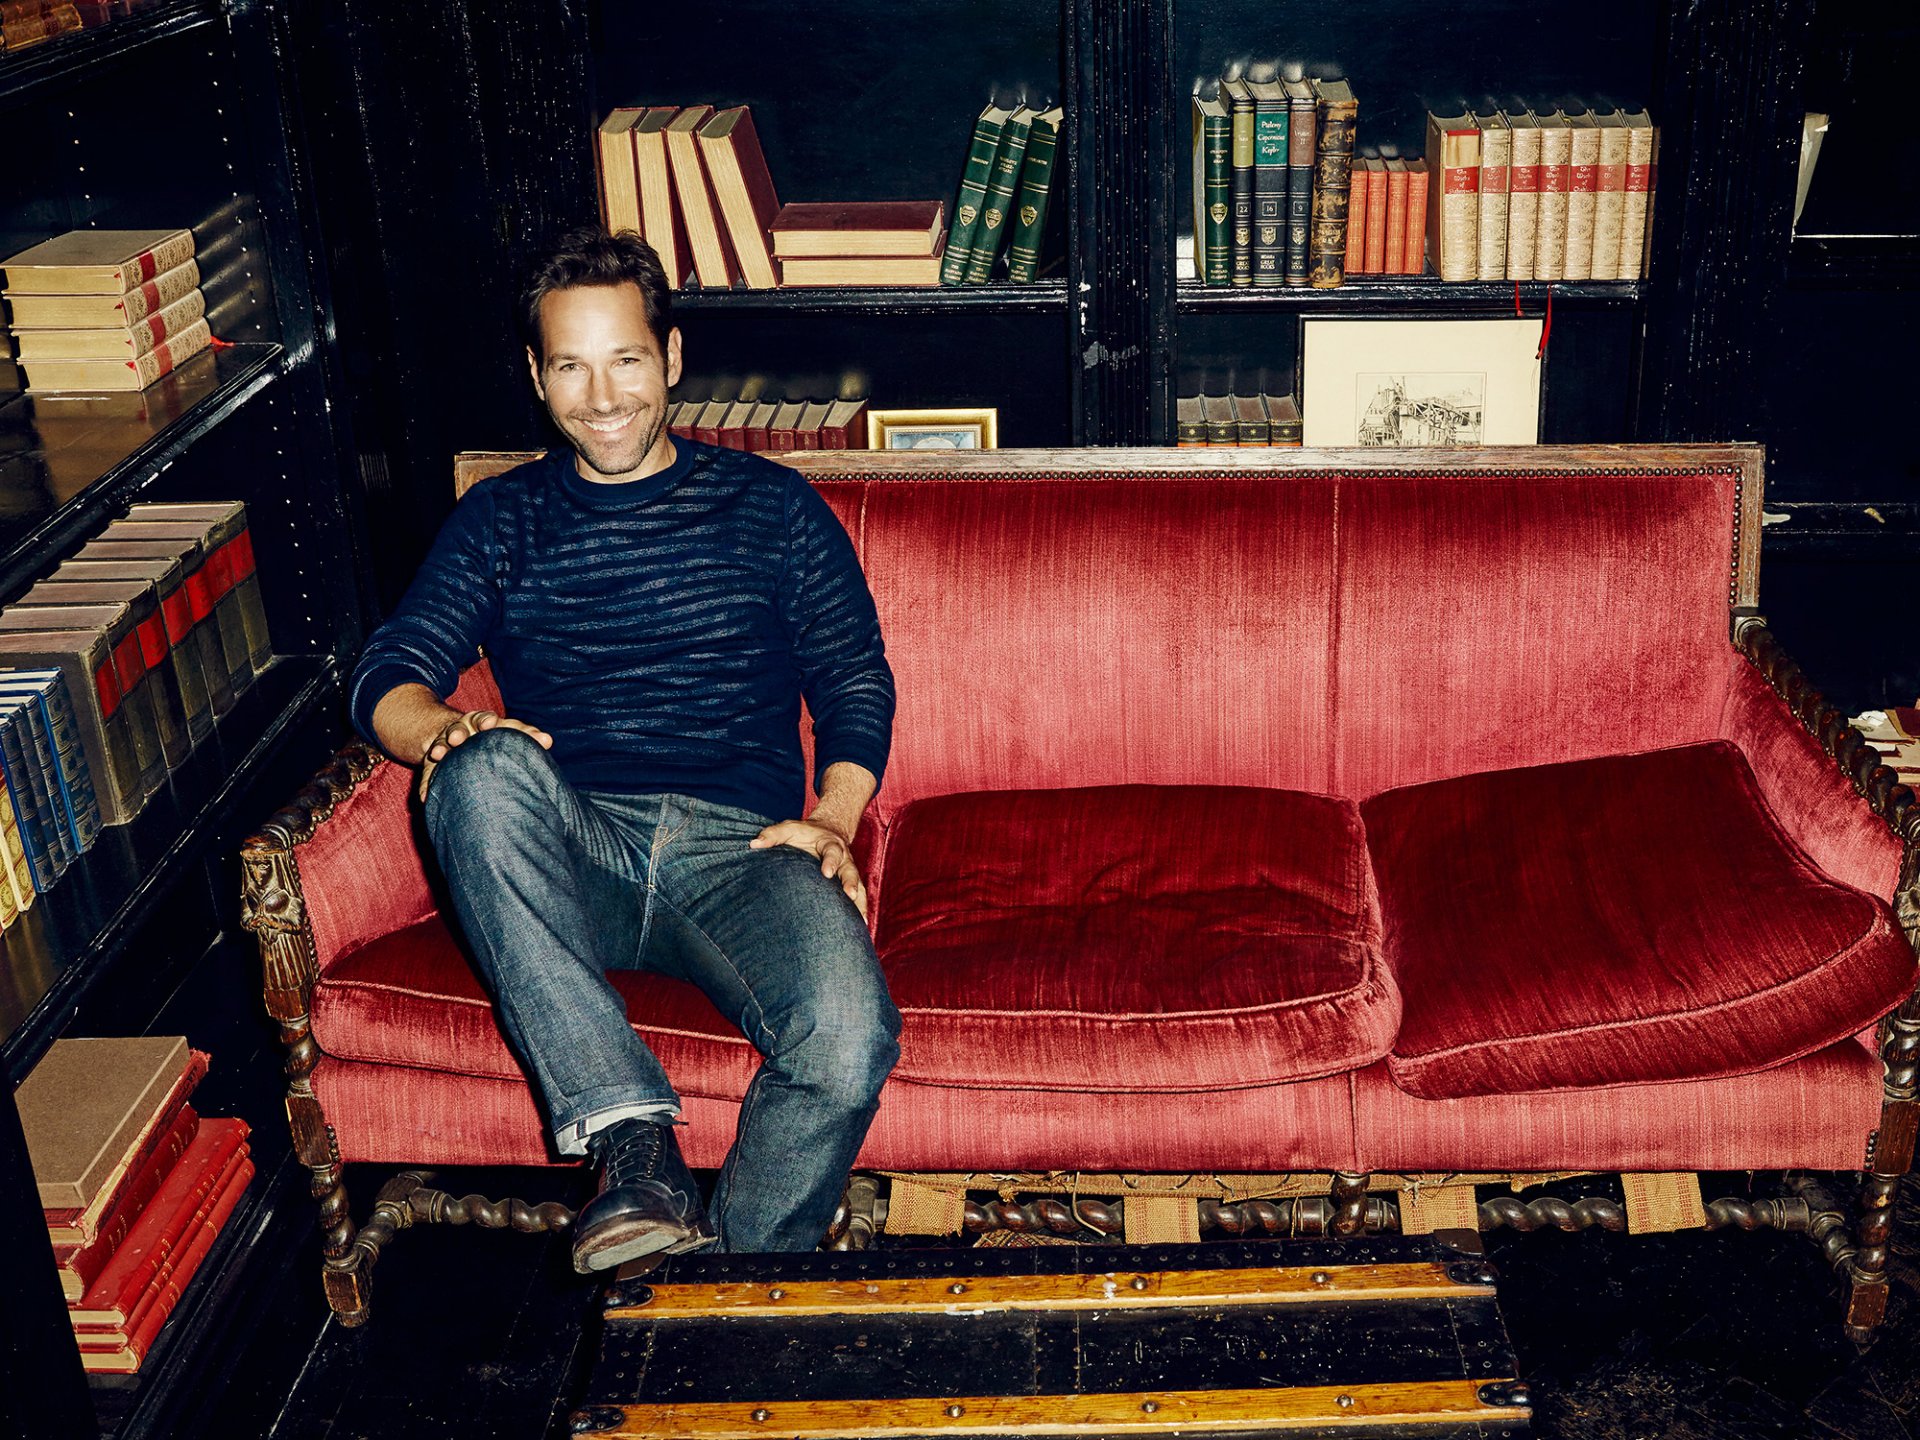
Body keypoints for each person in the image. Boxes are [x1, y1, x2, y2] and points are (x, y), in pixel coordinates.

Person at [346, 227, 901, 1270]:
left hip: (743, 853)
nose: (602, 399)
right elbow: (390, 674)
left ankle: (731, 1289)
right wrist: (447, 735)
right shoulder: (501, 519)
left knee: (847, 1037)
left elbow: (852, 677)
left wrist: (833, 819)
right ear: (536, 375)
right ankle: (631, 1142)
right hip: (576, 847)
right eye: (571, 367)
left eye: (626, 360)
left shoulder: (774, 507)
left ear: (672, 358)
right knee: (481, 766)